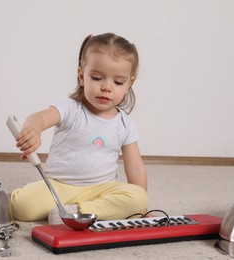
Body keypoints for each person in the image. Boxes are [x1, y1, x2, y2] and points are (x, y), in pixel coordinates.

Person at [10, 32, 148, 224]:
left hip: (101, 189)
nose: (107, 87)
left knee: (138, 198)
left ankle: (77, 211)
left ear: (129, 84)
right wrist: (33, 130)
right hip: (60, 186)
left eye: (118, 82)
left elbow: (136, 168)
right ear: (82, 76)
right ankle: (64, 208)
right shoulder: (71, 108)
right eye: (97, 77)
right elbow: (38, 118)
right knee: (22, 207)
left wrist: (142, 210)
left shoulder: (125, 123)